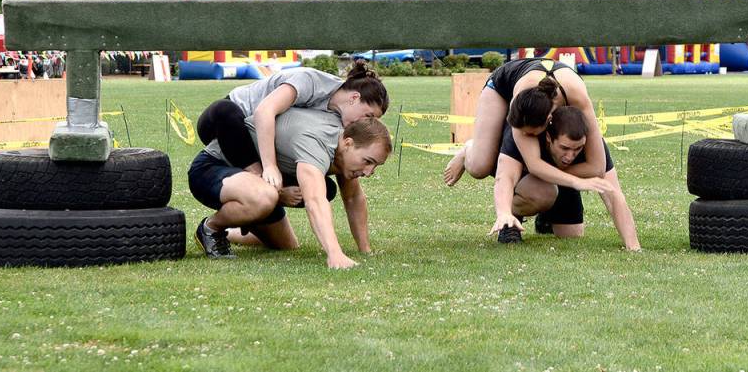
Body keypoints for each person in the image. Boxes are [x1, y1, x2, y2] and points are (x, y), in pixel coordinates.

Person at [189, 110, 392, 269]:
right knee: (265, 197)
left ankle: (232, 228)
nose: (368, 172)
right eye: (368, 161)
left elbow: (353, 198)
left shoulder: (344, 152)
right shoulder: (316, 144)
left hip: (255, 180)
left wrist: (365, 250)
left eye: (375, 166)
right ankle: (211, 228)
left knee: (286, 245)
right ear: (348, 143)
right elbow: (315, 200)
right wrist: (335, 253)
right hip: (211, 167)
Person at [197, 60, 389, 191]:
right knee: (226, 111)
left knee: (326, 189)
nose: (365, 123)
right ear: (355, 98)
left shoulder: (339, 119)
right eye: (368, 115)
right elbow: (265, 111)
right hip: (227, 124)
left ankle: (265, 200)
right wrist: (269, 167)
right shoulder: (310, 81)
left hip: (258, 144)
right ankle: (259, 178)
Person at [442, 58, 614, 198]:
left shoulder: (578, 98)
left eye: (531, 133)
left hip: (551, 85)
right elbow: (533, 166)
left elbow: (597, 167)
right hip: (501, 86)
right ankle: (468, 149)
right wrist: (566, 178)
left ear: (548, 120)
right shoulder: (523, 102)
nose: (524, 135)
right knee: (480, 166)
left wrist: (550, 172)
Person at [490, 106, 640, 249]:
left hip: (567, 182)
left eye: (578, 149)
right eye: (565, 148)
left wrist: (633, 246)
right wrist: (504, 212)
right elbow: (506, 178)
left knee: (572, 234)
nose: (570, 156)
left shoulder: (594, 148)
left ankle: (546, 218)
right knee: (543, 194)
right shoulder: (528, 135)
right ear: (548, 137)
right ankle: (511, 220)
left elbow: (614, 195)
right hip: (530, 184)